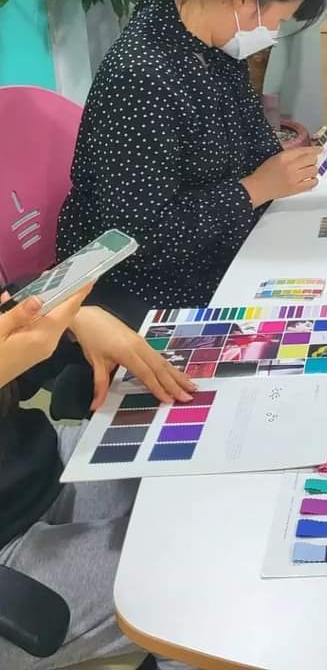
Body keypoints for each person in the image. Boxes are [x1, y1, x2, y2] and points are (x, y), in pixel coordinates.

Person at [57, 0, 327, 314]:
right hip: (141, 288)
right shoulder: (143, 75)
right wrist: (254, 189)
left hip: (214, 249)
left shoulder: (213, 47)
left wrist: (290, 168)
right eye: (278, 20)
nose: (272, 32)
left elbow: (257, 149)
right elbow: (134, 238)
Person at [0, 286, 194, 669]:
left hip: (37, 467)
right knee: (200, 583)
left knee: (206, 483)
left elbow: (18, 323)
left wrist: (73, 320)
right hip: (9, 557)